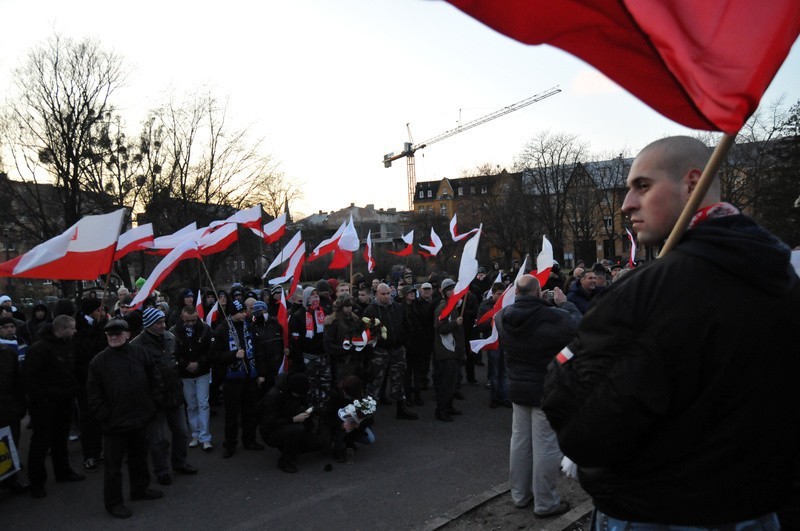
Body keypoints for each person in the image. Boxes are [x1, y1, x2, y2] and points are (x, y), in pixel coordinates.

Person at [542, 136, 800, 528]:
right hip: (757, 510)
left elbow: (583, 426)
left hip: (657, 511)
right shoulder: (782, 276)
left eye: (642, 186)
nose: (627, 203)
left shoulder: (655, 289)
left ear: (693, 184)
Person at [495, 275, 579, 517]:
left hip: (518, 389)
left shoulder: (502, 317)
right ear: (538, 292)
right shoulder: (554, 317)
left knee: (519, 442)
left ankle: (520, 495)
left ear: (517, 293)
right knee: (546, 445)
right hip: (547, 388)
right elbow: (580, 325)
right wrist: (564, 303)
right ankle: (546, 502)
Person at [86, 319, 164, 519]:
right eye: (110, 334)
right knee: (113, 467)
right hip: (115, 423)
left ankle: (140, 490)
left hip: (140, 418)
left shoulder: (141, 353)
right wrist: (106, 416)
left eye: (118, 333)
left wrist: (153, 405)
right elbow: (93, 395)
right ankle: (113, 503)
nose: (113, 337)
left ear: (128, 334)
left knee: (139, 458)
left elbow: (155, 378)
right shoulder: (99, 361)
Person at [131, 308, 198, 486]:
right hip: (154, 399)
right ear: (148, 324)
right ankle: (161, 471)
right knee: (157, 439)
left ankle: (180, 463)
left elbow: (176, 359)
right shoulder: (137, 344)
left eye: (163, 321)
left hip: (174, 393)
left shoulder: (170, 337)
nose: (163, 325)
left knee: (182, 432)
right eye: (158, 322)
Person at [25, 315, 86, 498]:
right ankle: (37, 482)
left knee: (60, 440)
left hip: (64, 400)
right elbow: (30, 378)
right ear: (60, 330)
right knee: (40, 444)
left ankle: (63, 471)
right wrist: (41, 399)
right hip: (45, 405)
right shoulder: (39, 349)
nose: (75, 331)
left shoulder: (67, 344)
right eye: (72, 328)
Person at [212, 300, 266, 458]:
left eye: (244, 311)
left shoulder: (248, 326)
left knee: (250, 412)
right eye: (240, 312)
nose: (244, 314)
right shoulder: (222, 330)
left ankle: (249, 440)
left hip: (249, 376)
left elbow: (258, 350)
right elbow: (214, 356)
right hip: (232, 379)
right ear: (231, 313)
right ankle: (230, 444)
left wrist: (261, 373)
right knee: (232, 415)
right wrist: (232, 355)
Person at [364, 283, 418, 420]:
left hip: (398, 349)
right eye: (383, 294)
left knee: (398, 379)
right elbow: (366, 332)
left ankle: (401, 409)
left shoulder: (398, 307)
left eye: (388, 293)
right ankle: (368, 415)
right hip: (380, 352)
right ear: (377, 294)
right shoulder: (370, 310)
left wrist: (404, 341)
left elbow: (407, 325)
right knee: (375, 382)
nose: (386, 296)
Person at [259, 373, 326, 473]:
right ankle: (284, 461)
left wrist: (309, 411)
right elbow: (269, 423)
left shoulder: (297, 389)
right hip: (270, 432)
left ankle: (292, 449)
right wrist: (293, 419)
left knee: (318, 443)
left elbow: (301, 404)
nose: (300, 397)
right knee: (297, 430)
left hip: (288, 422)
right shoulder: (274, 396)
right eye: (298, 395)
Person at [170, 305, 214, 452]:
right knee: (192, 405)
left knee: (203, 403)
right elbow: (173, 353)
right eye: (188, 320)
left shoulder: (205, 329)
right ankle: (195, 435)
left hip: (202, 372)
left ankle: (205, 437)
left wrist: (199, 363)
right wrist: (186, 364)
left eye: (193, 320)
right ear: (182, 317)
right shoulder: (174, 331)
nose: (191, 323)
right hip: (185, 373)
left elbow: (210, 350)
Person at [74, 297, 109, 472]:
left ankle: (101, 450)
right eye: (99, 310)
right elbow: (82, 352)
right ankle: (90, 454)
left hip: (103, 378)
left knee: (104, 416)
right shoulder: (79, 327)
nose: (102, 313)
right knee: (88, 419)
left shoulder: (103, 324)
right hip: (85, 381)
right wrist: (94, 332)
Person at [0, 316, 29, 495]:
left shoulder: (8, 353)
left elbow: (18, 383)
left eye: (12, 326)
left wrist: (21, 405)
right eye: (6, 327)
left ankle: (11, 480)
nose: (10, 330)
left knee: (9, 443)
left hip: (8, 408)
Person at [432, 279, 466, 422]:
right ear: (445, 292)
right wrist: (455, 323)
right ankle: (441, 410)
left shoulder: (453, 306)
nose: (454, 292)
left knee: (453, 382)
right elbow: (440, 328)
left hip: (454, 350)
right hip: (446, 351)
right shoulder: (443, 307)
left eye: (455, 289)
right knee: (446, 383)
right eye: (451, 289)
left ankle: (449, 407)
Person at [477, 282, 510, 409]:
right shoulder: (485, 306)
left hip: (505, 341)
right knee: (495, 373)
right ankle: (495, 398)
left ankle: (504, 397)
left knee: (505, 372)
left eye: (503, 294)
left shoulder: (507, 304)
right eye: (499, 294)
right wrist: (492, 321)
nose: (501, 296)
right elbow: (480, 325)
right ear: (493, 293)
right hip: (493, 342)